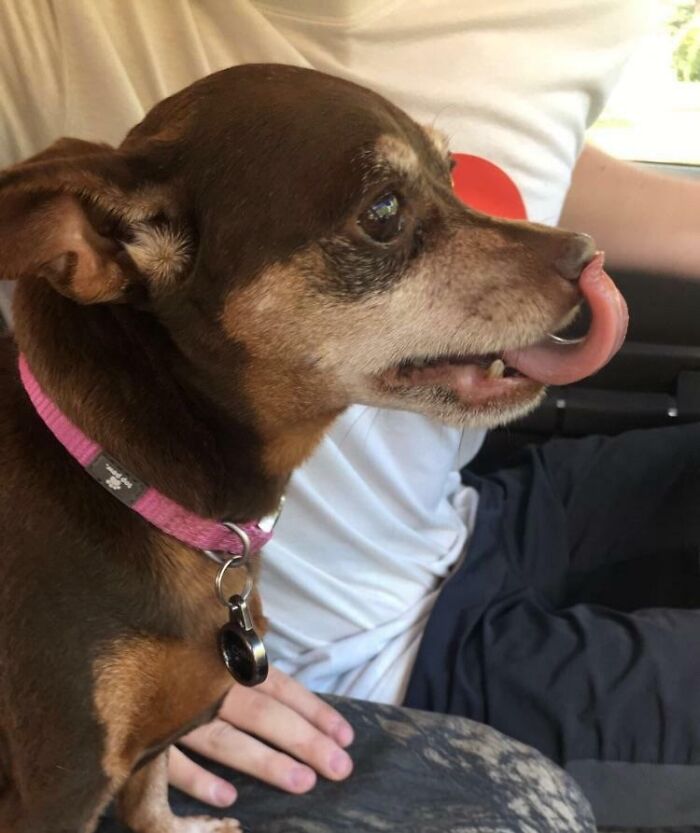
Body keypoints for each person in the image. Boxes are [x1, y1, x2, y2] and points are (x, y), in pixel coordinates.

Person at [3, 1, 700, 828]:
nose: (564, 259)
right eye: (383, 218)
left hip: (460, 518)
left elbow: (549, 152)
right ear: (119, 245)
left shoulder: (548, 23)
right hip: (383, 655)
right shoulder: (43, 27)